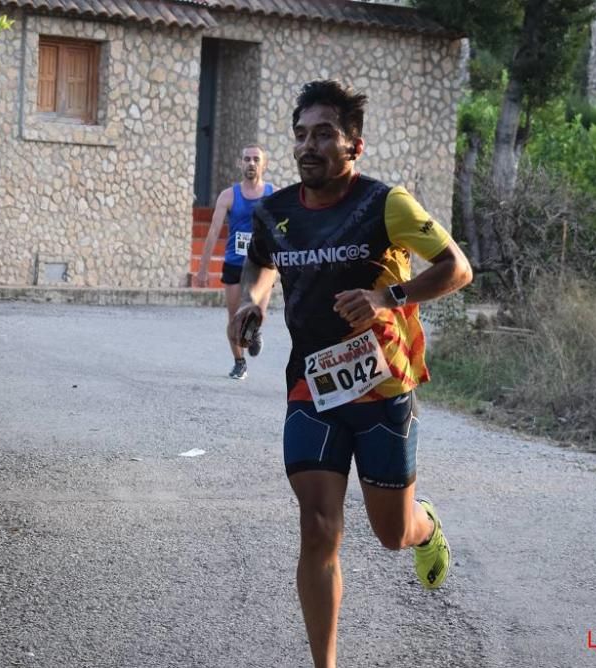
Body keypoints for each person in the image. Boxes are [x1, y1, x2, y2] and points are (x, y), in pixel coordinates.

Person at [229, 80, 472, 668]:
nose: (309, 146)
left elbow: (456, 268)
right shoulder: (275, 212)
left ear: (353, 145)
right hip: (311, 387)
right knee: (318, 527)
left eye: (325, 134)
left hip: (383, 387)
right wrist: (252, 303)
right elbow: (260, 262)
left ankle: (423, 525)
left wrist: (389, 294)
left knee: (390, 534)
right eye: (302, 135)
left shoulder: (385, 203)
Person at [197, 144, 275, 380]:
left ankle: (255, 332)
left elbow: (286, 231)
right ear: (239, 163)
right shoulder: (228, 196)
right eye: (247, 159)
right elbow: (212, 232)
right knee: (234, 318)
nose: (251, 163)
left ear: (264, 164)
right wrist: (202, 270)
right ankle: (239, 362)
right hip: (234, 264)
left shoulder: (274, 195)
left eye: (255, 159)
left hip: (263, 265)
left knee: (257, 311)